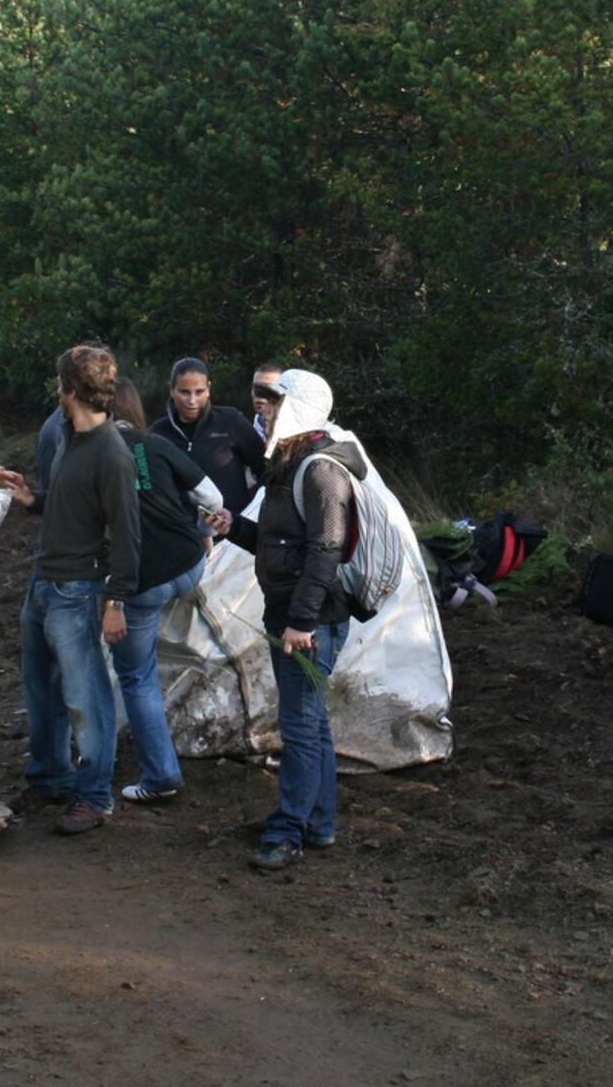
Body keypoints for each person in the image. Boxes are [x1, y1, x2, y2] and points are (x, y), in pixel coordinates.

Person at [222, 367, 362, 872]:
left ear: (297, 410)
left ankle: (288, 832)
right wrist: (233, 525)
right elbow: (281, 543)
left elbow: (325, 550)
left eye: (276, 402)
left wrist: (301, 621)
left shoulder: (321, 470)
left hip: (312, 622)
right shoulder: (293, 464)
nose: (267, 409)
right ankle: (319, 824)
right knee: (312, 726)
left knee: (300, 729)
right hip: (295, 616)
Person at [12, 345, 141, 836]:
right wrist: (33, 500)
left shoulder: (112, 454)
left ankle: (94, 796)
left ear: (67, 388)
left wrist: (116, 601)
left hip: (79, 590)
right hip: (44, 582)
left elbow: (127, 535)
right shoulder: (67, 437)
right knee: (40, 687)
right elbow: (71, 504)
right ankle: (50, 777)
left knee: (86, 697)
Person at [107, 380, 230, 805]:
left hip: (143, 582)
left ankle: (160, 775)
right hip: (188, 565)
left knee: (136, 677)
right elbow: (212, 497)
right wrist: (199, 530)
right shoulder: (153, 444)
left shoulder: (95, 454)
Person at [149, 358, 268, 515]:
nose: (192, 401)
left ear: (209, 389)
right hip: (181, 533)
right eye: (184, 392)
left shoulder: (231, 421)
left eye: (199, 392)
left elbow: (266, 470)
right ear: (171, 389)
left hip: (233, 532)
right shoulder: (156, 434)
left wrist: (255, 513)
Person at [248, 361, 285, 442]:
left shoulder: (301, 437)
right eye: (256, 388)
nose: (260, 395)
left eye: (268, 389)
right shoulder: (245, 434)